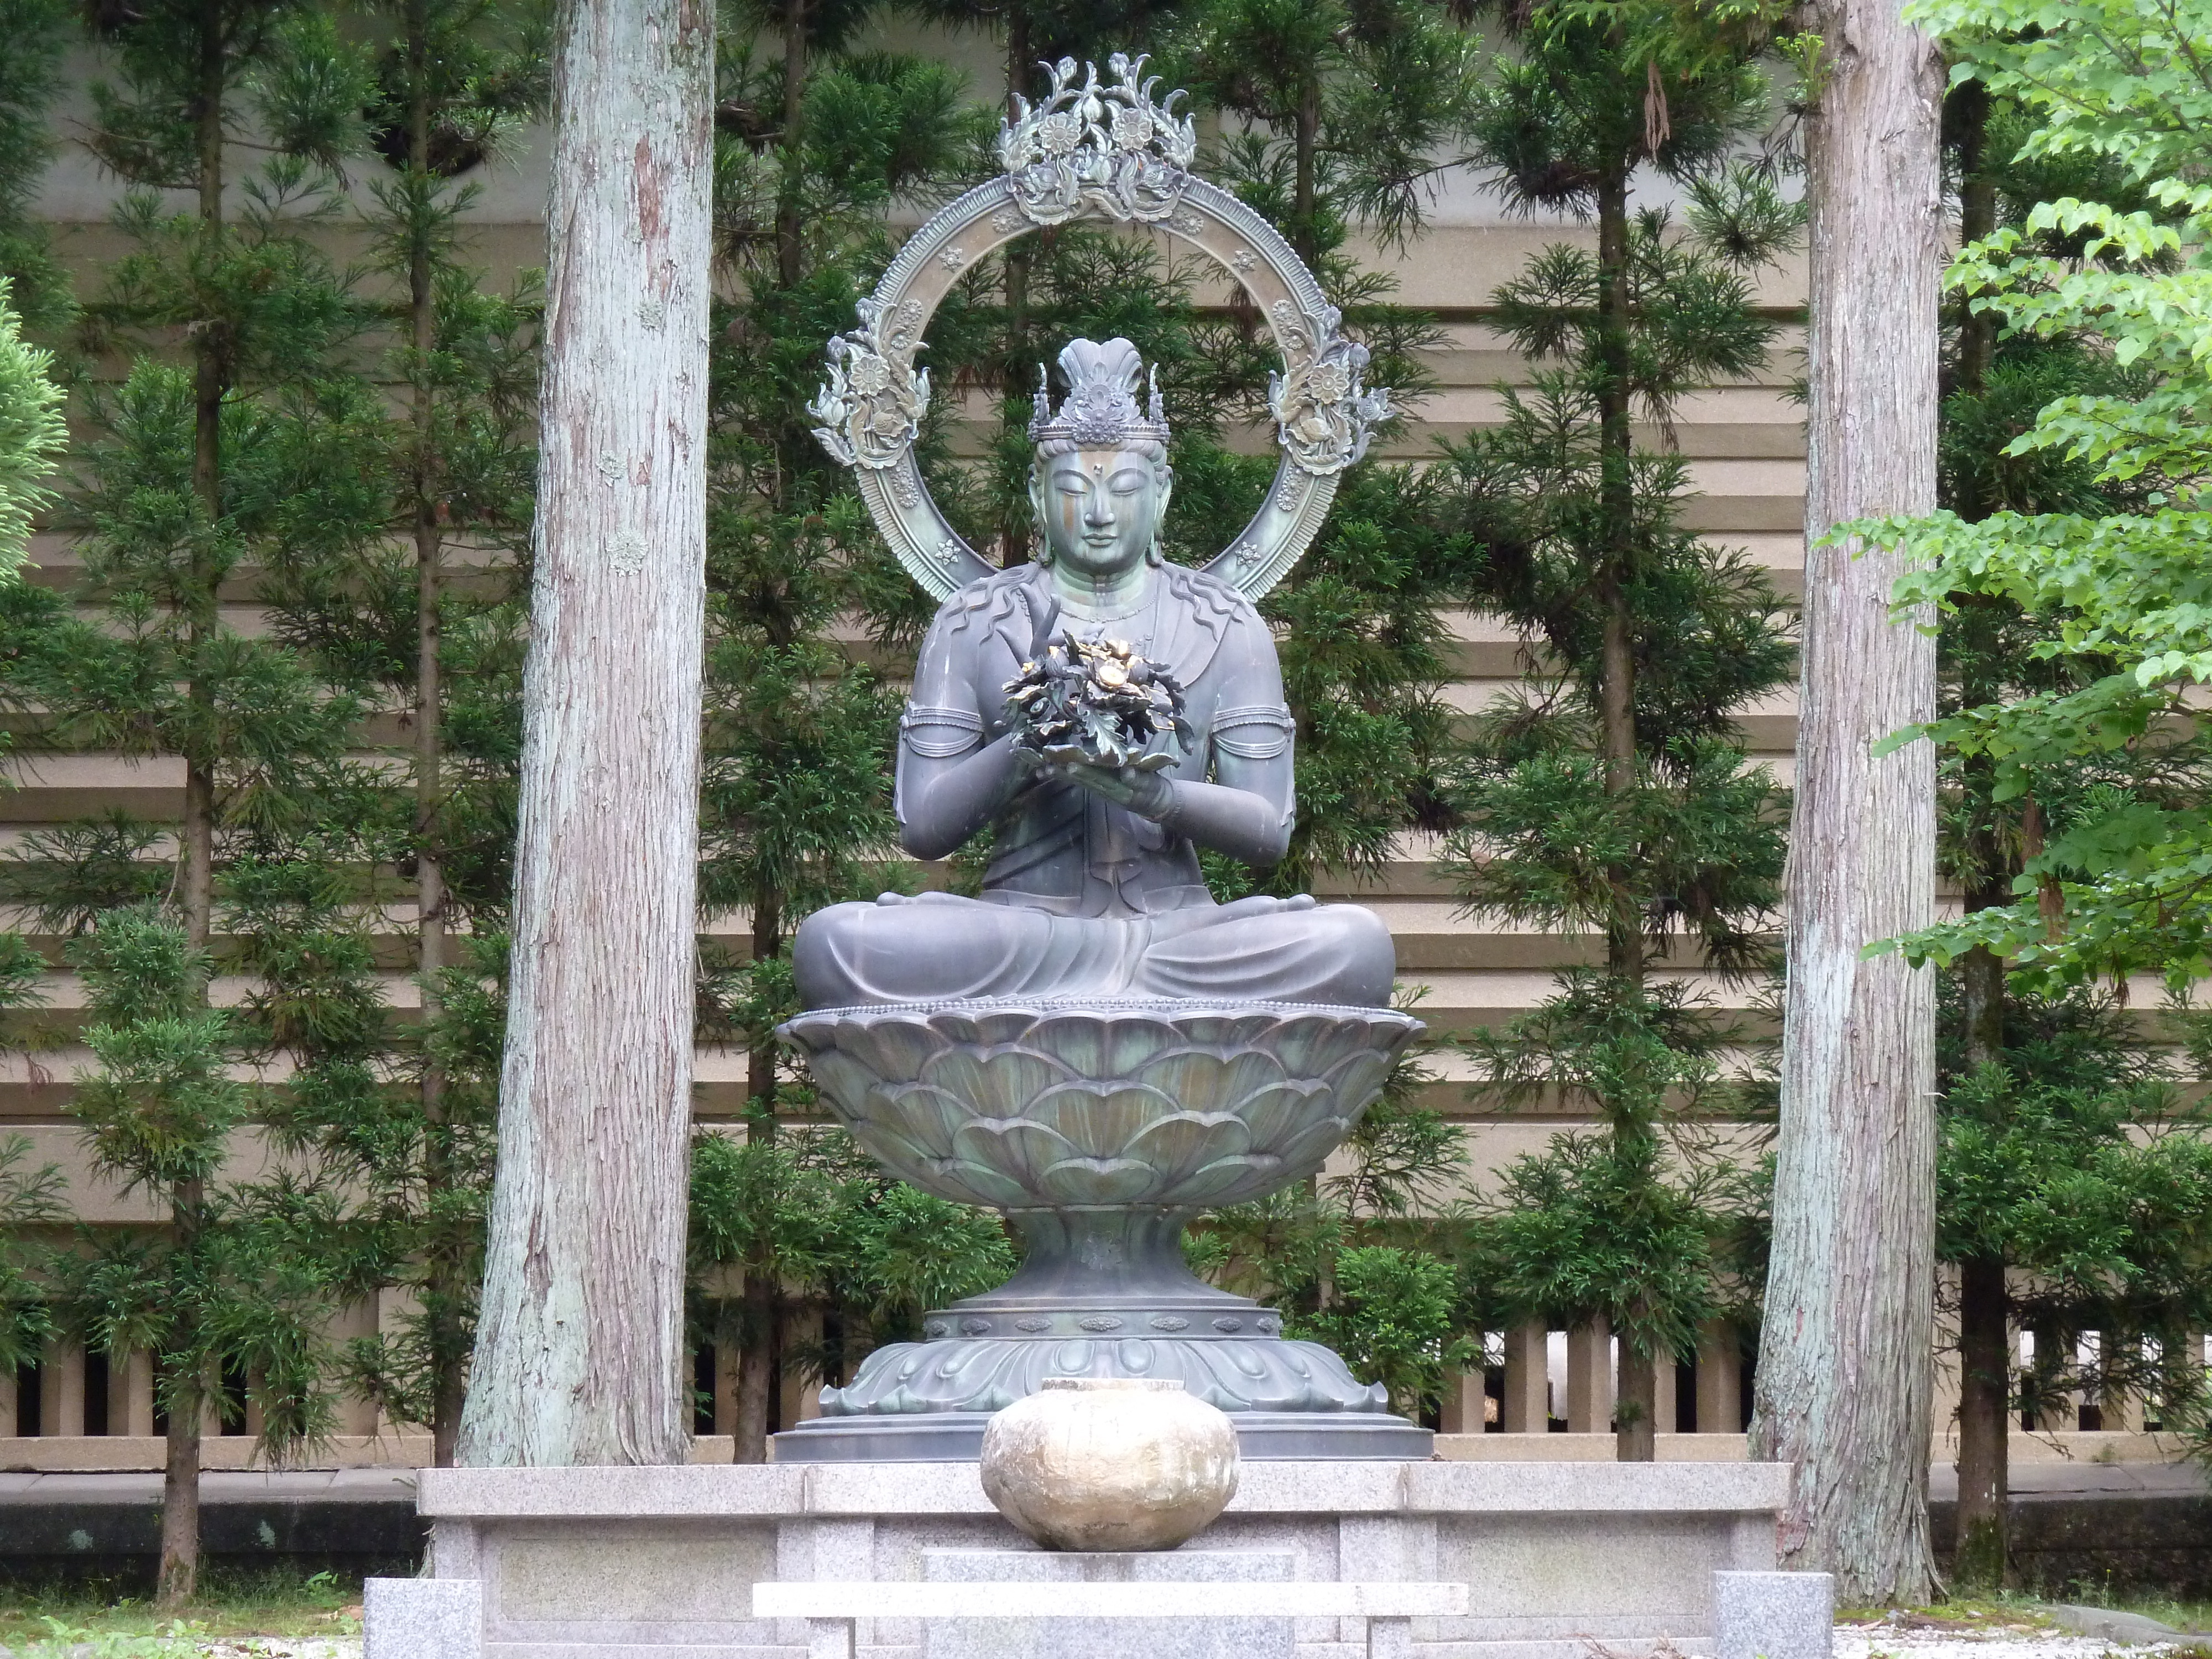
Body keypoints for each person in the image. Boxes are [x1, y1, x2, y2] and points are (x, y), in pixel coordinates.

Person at [792, 337, 1396, 1008]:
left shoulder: (1226, 623)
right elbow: (924, 827)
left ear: (1161, 495)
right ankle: (1111, 992)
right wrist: (1022, 748)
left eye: (1126, 488)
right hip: (1019, 928)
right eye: (1074, 489)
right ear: (1036, 495)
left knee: (1351, 943)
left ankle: (1112, 988)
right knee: (838, 941)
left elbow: (1267, 831)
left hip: (1179, 930)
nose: (1102, 514)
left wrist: (1159, 798)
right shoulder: (973, 621)